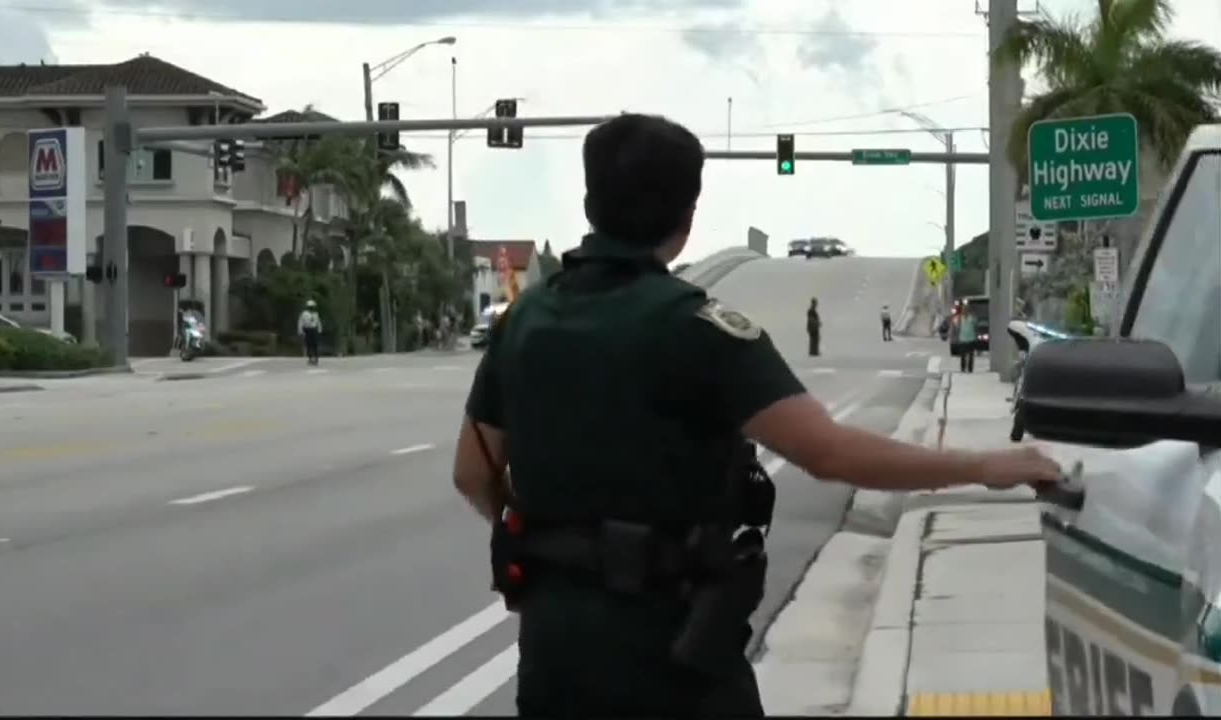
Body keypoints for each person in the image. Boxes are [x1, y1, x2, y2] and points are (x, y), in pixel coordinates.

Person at [450, 112, 1063, 718]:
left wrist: (552, 536)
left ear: (590, 203)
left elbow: (471, 476)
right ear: (686, 219)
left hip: (554, 654)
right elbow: (828, 453)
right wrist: (987, 464)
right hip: (674, 654)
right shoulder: (698, 328)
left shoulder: (524, 322)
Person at [297, 299, 322, 365]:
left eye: (313, 307)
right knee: (308, 345)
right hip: (307, 330)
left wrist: (319, 330)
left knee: (315, 345)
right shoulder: (304, 314)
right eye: (311, 307)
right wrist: (300, 331)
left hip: (314, 330)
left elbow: (318, 322)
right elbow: (300, 322)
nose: (312, 308)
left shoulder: (316, 314)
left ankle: (316, 358)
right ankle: (310, 358)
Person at [958, 307, 978, 373]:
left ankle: (970, 369)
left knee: (971, 355)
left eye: (966, 310)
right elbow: (957, 327)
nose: (964, 311)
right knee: (963, 356)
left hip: (970, 338)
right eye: (963, 310)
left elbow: (975, 325)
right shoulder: (960, 318)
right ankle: (963, 368)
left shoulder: (972, 318)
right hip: (963, 339)